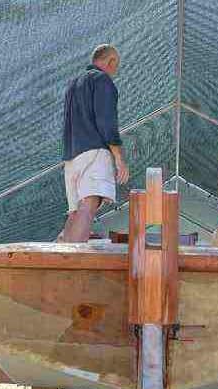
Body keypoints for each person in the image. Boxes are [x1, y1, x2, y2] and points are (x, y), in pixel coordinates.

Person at [58, 44, 129, 243]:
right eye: (117, 66)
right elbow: (106, 122)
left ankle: (60, 255)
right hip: (94, 152)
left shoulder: (73, 84)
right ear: (111, 61)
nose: (116, 72)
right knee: (89, 205)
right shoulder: (102, 80)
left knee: (75, 212)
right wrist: (119, 158)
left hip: (71, 157)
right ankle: (73, 261)